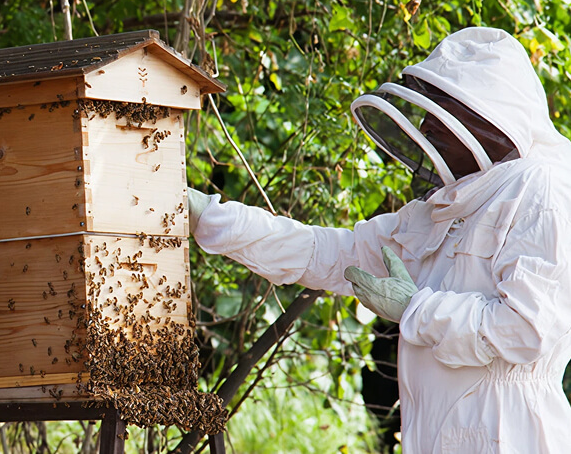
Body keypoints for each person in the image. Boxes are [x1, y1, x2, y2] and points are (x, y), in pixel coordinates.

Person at [188, 27, 571, 453]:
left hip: (511, 434)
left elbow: (525, 330)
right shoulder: (442, 209)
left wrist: (416, 308)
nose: (426, 127)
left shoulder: (543, 190)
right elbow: (326, 253)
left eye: (440, 110)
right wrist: (209, 217)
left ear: (487, 118)